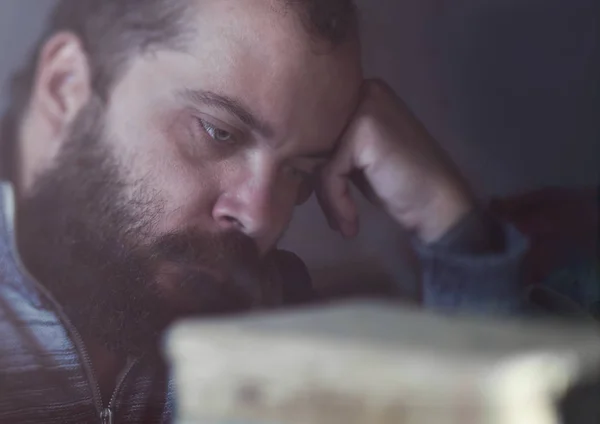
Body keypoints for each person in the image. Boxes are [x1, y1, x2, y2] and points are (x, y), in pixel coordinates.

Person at [0, 0, 529, 422]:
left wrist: (449, 222)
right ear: (66, 86)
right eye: (218, 132)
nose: (259, 217)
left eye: (300, 170)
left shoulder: (273, 320)